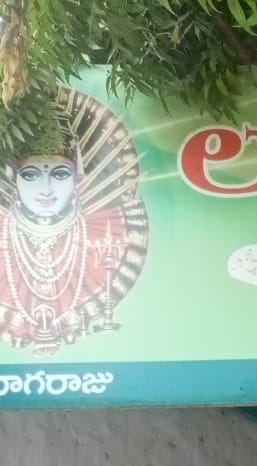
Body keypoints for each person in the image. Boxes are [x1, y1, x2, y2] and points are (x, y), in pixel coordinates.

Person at [0, 90, 148, 355]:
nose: (46, 189)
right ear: (13, 177)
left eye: (59, 174)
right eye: (31, 175)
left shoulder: (114, 231)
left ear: (78, 176)